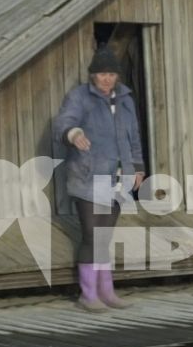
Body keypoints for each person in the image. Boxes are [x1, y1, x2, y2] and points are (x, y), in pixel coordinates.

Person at [52, 45, 146, 310]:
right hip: (89, 175)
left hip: (118, 176)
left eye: (111, 74)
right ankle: (88, 295)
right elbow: (63, 122)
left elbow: (134, 136)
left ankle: (107, 292)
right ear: (92, 75)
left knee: (104, 236)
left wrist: (137, 166)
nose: (107, 79)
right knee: (92, 235)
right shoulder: (80, 97)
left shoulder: (126, 99)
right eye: (102, 73)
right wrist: (73, 134)